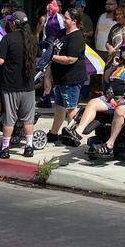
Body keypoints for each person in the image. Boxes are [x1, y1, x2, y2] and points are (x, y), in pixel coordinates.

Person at [69, 37, 125, 158]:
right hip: (113, 97)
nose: (124, 51)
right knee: (93, 103)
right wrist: (112, 67)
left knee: (120, 110)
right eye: (123, 49)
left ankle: (109, 145)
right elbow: (106, 79)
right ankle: (78, 132)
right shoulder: (120, 62)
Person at [0, 10, 38, 158]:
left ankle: (5, 149)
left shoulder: (8, 39)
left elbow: (0, 61)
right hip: (28, 85)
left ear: (13, 23)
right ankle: (29, 147)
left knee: (10, 118)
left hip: (11, 85)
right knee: (28, 118)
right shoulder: (32, 39)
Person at [47, 7, 88, 146]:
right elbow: (54, 46)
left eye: (67, 18)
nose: (64, 20)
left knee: (71, 108)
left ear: (75, 21)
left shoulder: (77, 37)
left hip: (71, 78)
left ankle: (73, 135)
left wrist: (52, 57)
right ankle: (53, 133)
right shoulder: (62, 32)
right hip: (60, 78)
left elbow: (71, 59)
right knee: (59, 107)